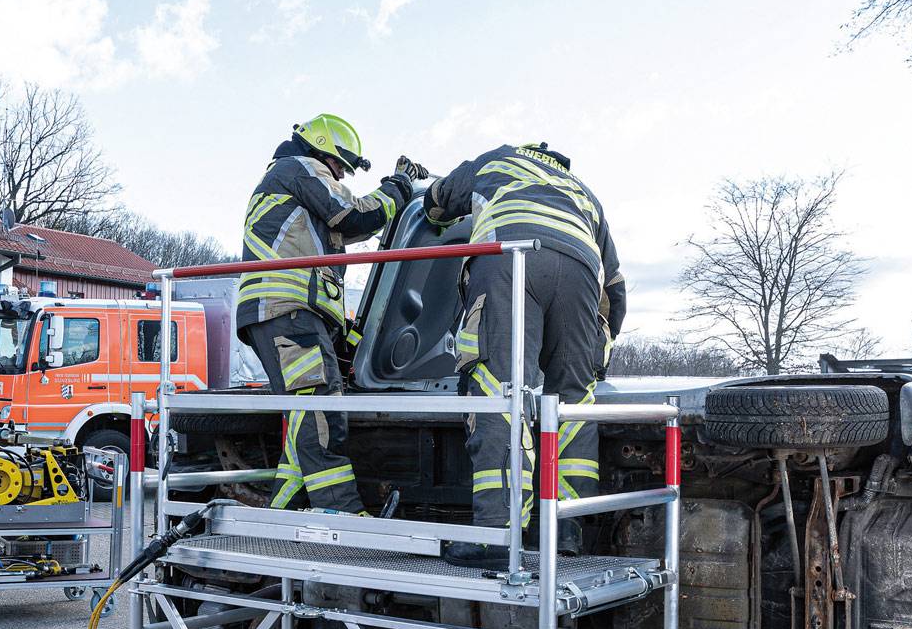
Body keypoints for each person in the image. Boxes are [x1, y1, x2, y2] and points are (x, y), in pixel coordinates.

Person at [422, 142, 626, 567]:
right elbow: (616, 287)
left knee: (501, 390)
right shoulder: (582, 192)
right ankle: (565, 531)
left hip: (511, 257)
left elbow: (438, 199)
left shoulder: (497, 159)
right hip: (581, 270)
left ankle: (498, 535)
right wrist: (597, 349)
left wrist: (431, 206)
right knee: (572, 401)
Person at [237, 115, 426, 513]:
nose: (342, 176)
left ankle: (281, 513)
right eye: (341, 166)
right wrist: (398, 186)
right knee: (322, 414)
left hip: (285, 313)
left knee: (306, 415)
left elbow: (351, 226)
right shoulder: (300, 168)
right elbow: (354, 214)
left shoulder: (294, 188)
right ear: (324, 150)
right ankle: (343, 514)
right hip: (287, 311)